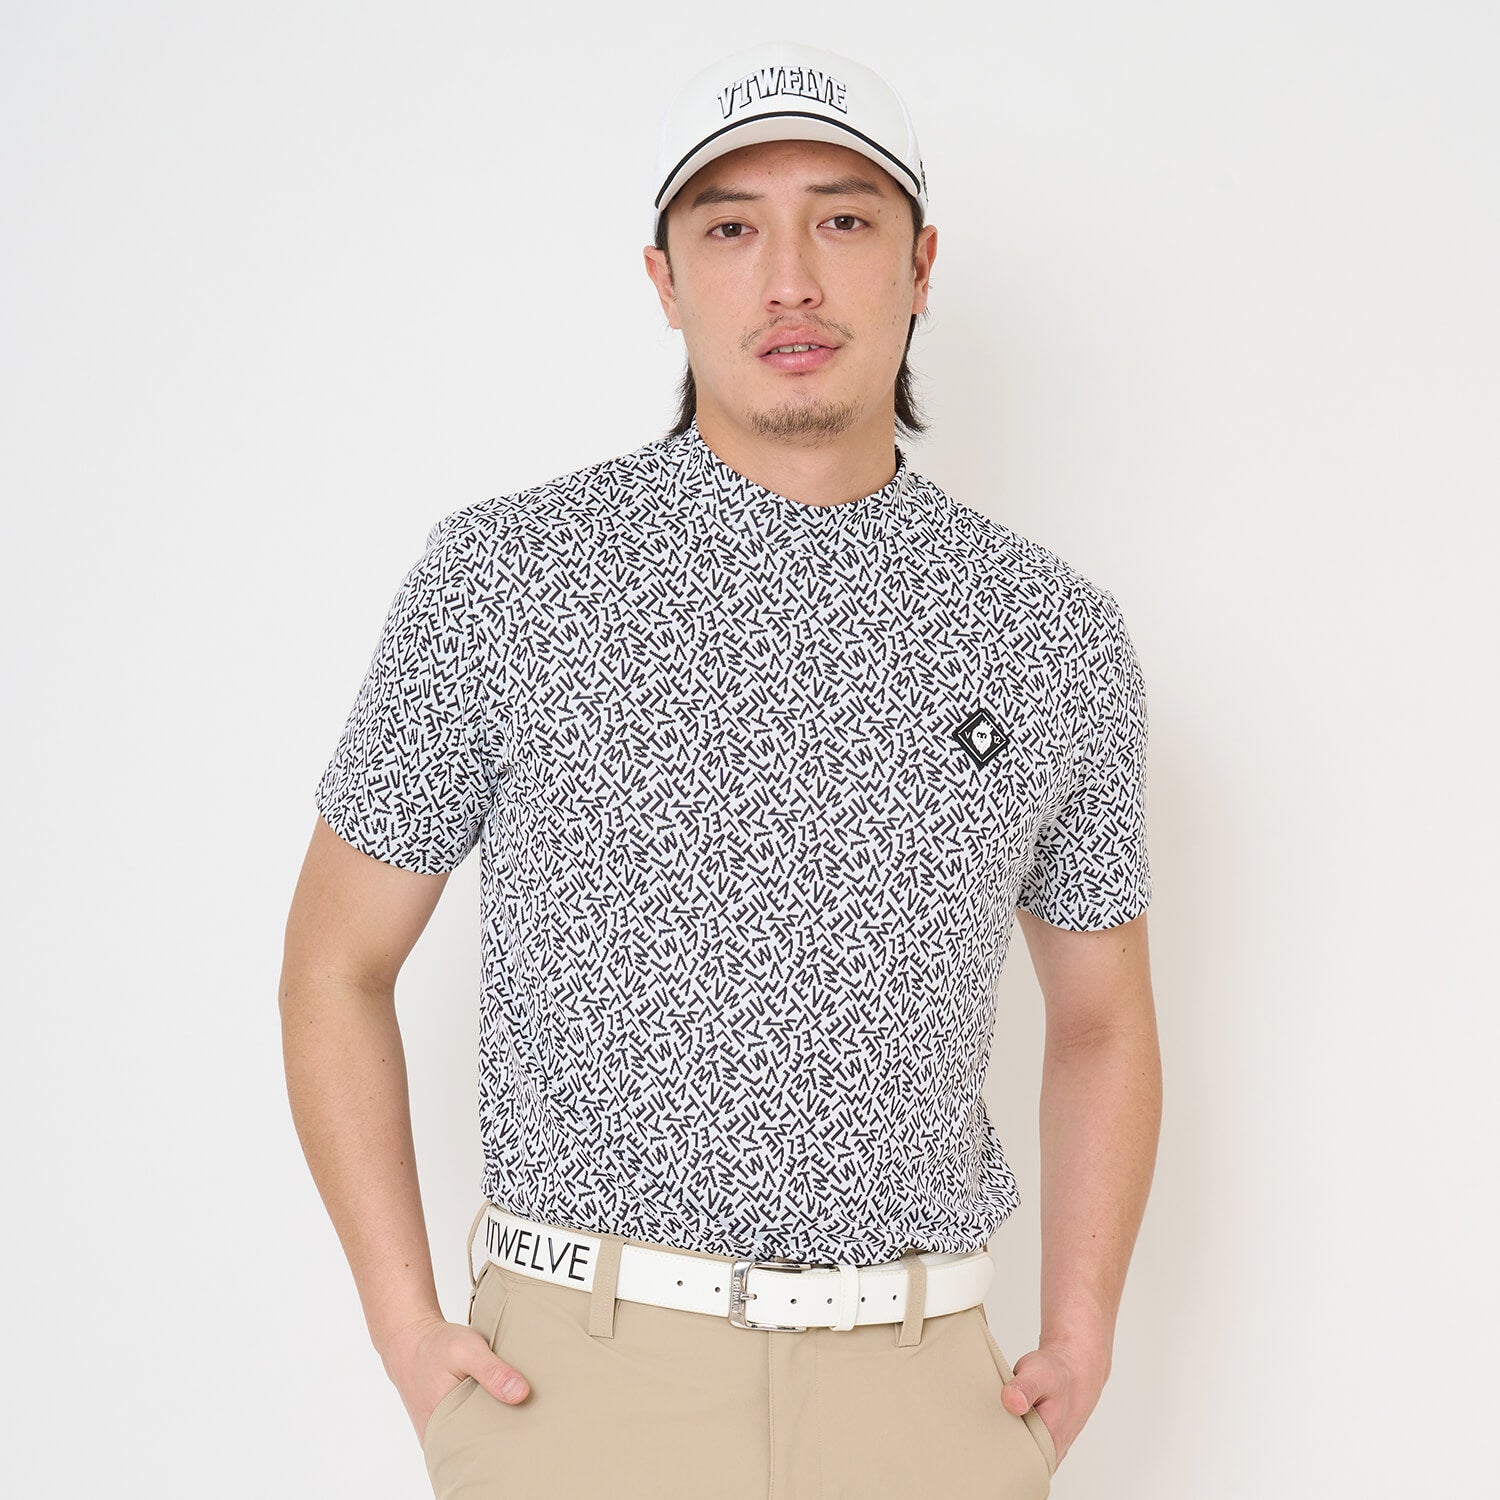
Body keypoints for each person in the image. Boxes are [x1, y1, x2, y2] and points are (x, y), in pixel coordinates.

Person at [280, 38, 1161, 1500]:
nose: (790, 281)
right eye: (732, 228)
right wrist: (402, 1323)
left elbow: (1104, 1018)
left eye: (844, 220)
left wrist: (1081, 1328)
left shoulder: (1048, 631)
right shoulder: (508, 580)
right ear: (666, 278)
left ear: (921, 264)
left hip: (921, 1393)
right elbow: (333, 964)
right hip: (579, 1386)